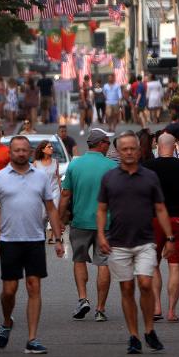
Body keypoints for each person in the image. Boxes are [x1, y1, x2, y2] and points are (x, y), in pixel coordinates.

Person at [97, 131, 175, 354]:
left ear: (139, 151)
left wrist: (170, 238)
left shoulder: (150, 177)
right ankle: (133, 335)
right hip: (118, 243)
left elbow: (160, 208)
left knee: (145, 284)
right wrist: (101, 235)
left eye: (133, 148)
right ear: (118, 152)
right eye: (125, 149)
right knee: (127, 288)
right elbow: (102, 209)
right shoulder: (109, 178)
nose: (129, 152)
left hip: (145, 242)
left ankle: (149, 330)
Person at [0, 137, 65, 354]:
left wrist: (58, 239)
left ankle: (32, 339)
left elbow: (51, 209)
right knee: (9, 291)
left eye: (24, 150)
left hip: (35, 240)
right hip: (9, 241)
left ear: (29, 152)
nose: (21, 153)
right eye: (16, 150)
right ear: (10, 152)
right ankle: (6, 321)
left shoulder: (40, 177)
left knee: (34, 286)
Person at [59, 128, 116, 322]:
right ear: (100, 144)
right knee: (104, 263)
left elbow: (65, 195)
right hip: (106, 225)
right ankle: (100, 309)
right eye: (107, 143)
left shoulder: (75, 166)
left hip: (80, 221)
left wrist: (59, 220)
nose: (109, 146)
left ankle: (83, 298)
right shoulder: (111, 166)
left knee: (79, 260)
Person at [143, 133, 179, 323]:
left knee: (154, 264)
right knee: (175, 266)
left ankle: (156, 306)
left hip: (153, 219)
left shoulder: (148, 166)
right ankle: (172, 311)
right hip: (178, 219)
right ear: (175, 146)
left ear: (157, 146)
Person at [31, 140, 62, 243]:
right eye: (49, 147)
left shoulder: (55, 162)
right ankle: (42, 230)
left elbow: (57, 177)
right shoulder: (36, 163)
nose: (52, 148)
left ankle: (51, 236)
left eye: (52, 147)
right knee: (43, 214)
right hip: (42, 192)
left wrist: (60, 190)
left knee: (54, 212)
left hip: (54, 190)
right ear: (43, 150)